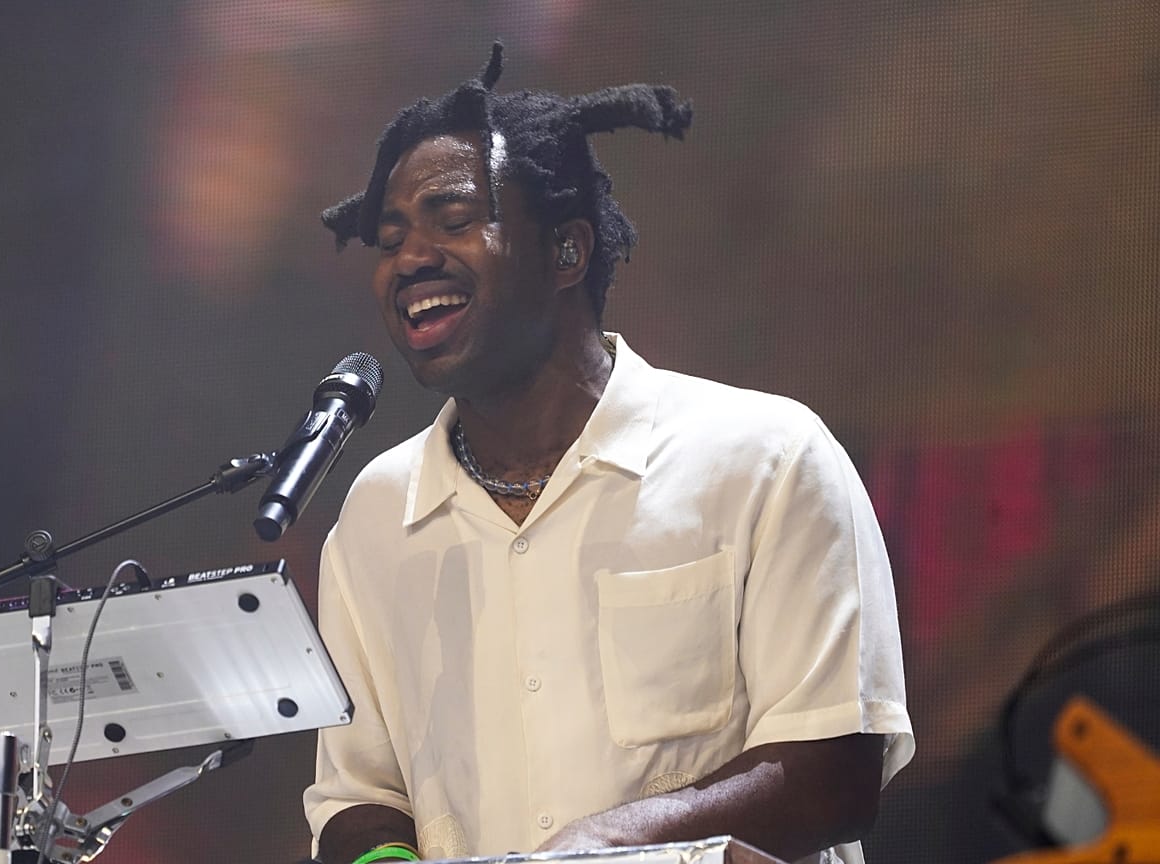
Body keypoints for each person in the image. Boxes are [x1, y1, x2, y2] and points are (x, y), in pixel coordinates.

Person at [302, 44, 913, 864]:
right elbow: (358, 797)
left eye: (453, 221)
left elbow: (834, 771)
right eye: (389, 240)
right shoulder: (377, 514)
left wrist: (600, 849)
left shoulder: (766, 459)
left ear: (567, 250)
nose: (410, 259)